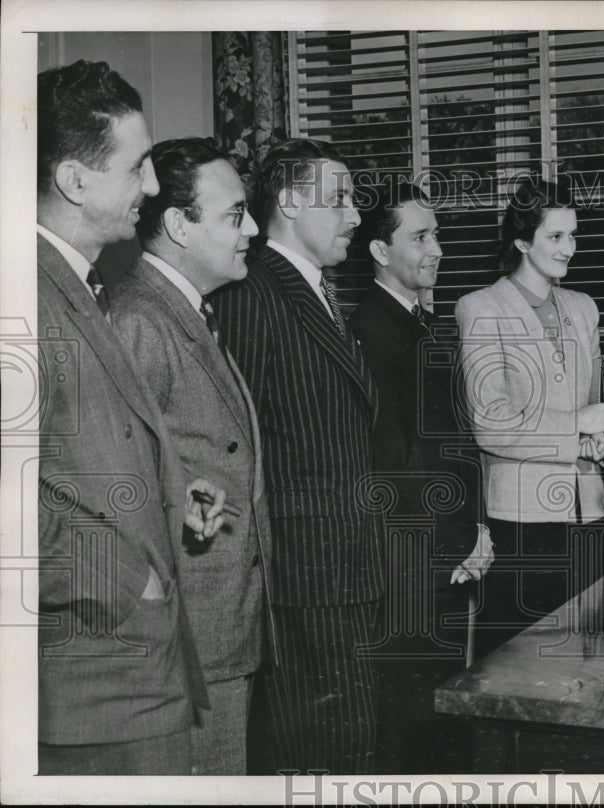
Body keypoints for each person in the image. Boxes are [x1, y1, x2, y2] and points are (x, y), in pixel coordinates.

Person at [36, 60, 224, 775]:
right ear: (75, 181)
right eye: (139, 164)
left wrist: (173, 492)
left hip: (134, 679)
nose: (152, 186)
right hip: (93, 690)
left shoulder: (78, 285)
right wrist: (126, 580)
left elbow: (78, 451)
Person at [211, 138, 383, 775]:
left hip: (341, 569)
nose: (356, 216)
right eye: (337, 199)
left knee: (345, 752)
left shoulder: (317, 292)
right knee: (323, 760)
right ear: (287, 202)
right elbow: (237, 446)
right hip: (301, 580)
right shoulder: (253, 292)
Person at [107, 137, 273, 774]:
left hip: (220, 628)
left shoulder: (185, 311)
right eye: (235, 215)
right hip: (187, 639)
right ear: (178, 224)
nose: (253, 230)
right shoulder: (140, 320)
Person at [349, 179, 494, 773]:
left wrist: (479, 529)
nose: (437, 249)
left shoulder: (426, 327)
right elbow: (398, 462)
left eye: (437, 235)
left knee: (442, 724)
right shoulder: (368, 333)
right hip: (413, 562)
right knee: (410, 732)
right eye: (420, 236)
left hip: (449, 555)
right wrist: (463, 541)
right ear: (380, 252)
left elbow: (456, 446)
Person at [454, 178, 604, 659]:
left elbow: (596, 405)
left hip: (587, 515)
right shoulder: (479, 308)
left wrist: (598, 437)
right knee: (521, 664)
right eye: (556, 237)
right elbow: (489, 421)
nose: (570, 248)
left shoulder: (584, 309)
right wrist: (576, 426)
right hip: (521, 520)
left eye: (574, 235)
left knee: (588, 661)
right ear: (522, 241)